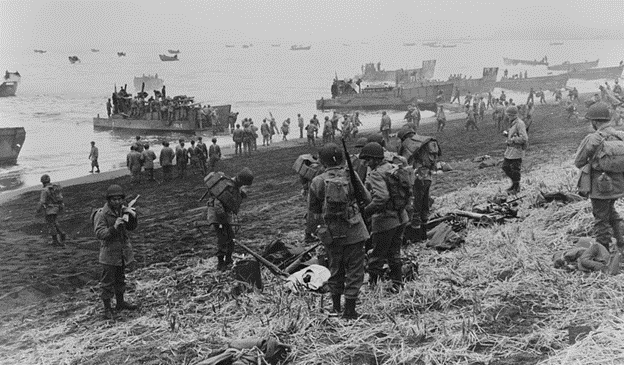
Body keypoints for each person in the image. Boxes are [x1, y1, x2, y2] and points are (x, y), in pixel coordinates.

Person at [308, 143, 370, 319]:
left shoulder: (318, 181)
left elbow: (313, 212)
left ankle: (336, 307)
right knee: (355, 270)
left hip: (332, 233)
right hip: (355, 230)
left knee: (335, 268)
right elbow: (366, 197)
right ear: (342, 159)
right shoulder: (351, 175)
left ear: (322, 161)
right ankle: (350, 310)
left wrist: (319, 230)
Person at [574, 103, 624, 253]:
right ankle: (621, 241)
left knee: (600, 218)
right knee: (611, 210)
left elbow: (579, 162)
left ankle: (603, 252)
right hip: (619, 185)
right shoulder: (620, 135)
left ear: (595, 122)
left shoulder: (593, 138)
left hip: (600, 186)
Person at [359, 142, 409, 293]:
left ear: (374, 159)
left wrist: (366, 211)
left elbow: (381, 197)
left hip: (385, 219)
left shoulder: (376, 173)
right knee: (394, 252)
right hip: (401, 216)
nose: (367, 164)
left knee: (377, 254)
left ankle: (372, 287)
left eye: (368, 160)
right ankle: (397, 283)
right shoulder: (392, 168)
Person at [93, 184, 139, 320]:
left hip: (122, 252)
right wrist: (114, 227)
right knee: (107, 283)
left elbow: (131, 228)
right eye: (114, 199)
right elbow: (99, 233)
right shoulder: (101, 214)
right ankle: (107, 308)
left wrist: (132, 216)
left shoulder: (123, 211)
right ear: (108, 200)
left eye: (119, 199)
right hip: (109, 254)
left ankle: (120, 303)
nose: (117, 202)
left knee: (120, 279)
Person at [205, 168, 254, 270]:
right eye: (243, 183)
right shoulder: (226, 186)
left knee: (231, 238)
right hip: (217, 215)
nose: (243, 185)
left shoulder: (235, 186)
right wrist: (223, 220)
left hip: (224, 215)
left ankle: (228, 260)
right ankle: (220, 263)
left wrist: (240, 194)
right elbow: (217, 204)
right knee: (222, 238)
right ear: (240, 179)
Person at [502, 106, 528, 194]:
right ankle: (514, 184)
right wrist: (508, 135)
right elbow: (515, 133)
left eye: (509, 115)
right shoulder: (513, 123)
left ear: (513, 115)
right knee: (505, 167)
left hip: (517, 150)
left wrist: (512, 140)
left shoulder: (520, 123)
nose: (507, 117)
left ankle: (516, 187)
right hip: (510, 150)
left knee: (515, 169)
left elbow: (524, 138)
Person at [37, 174, 66, 246]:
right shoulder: (55, 187)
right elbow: (60, 198)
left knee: (50, 224)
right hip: (57, 207)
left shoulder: (45, 190)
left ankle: (55, 240)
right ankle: (62, 233)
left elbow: (42, 201)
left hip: (49, 209)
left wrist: (38, 209)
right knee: (55, 222)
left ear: (43, 182)